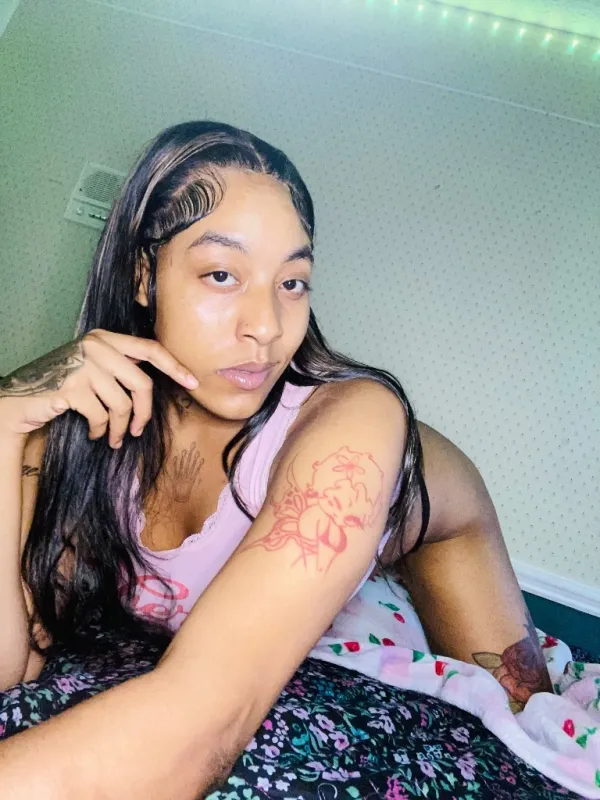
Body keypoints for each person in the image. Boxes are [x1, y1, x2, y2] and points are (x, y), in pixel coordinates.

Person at [0, 120, 551, 799]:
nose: (265, 326)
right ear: (143, 276)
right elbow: (9, 666)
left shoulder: (357, 420)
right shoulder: (79, 420)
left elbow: (203, 727)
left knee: (524, 732)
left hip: (444, 531)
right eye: (222, 274)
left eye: (293, 281)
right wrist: (2, 426)